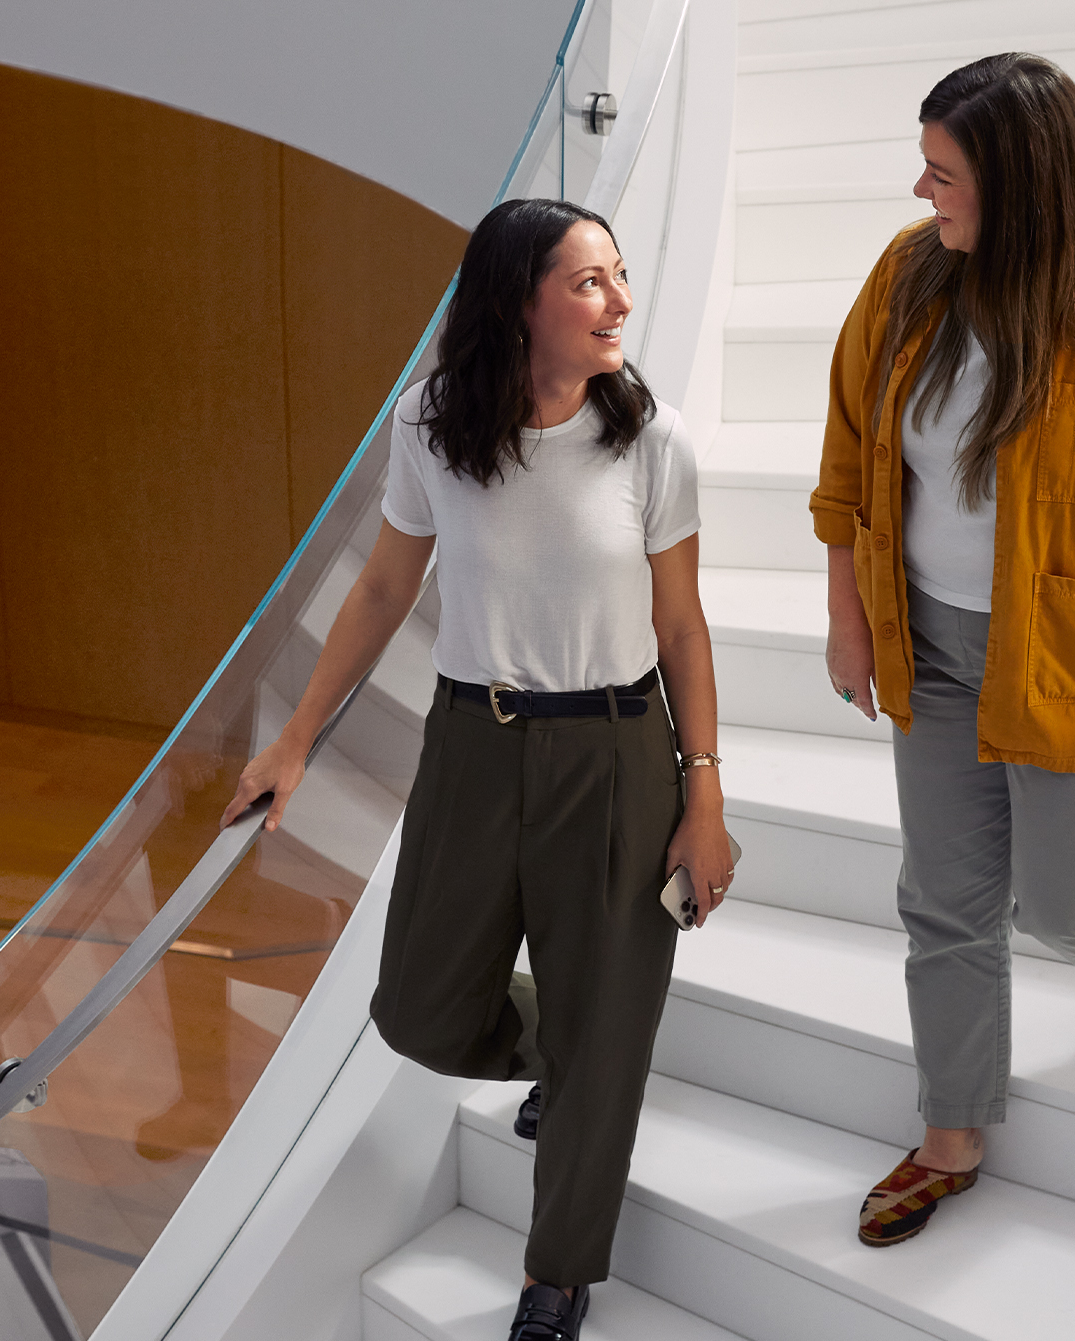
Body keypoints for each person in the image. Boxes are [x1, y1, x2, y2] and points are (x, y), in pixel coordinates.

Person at [223, 197, 733, 1341]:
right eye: (590, 282)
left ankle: (556, 1279)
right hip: (471, 746)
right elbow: (381, 589)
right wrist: (296, 739)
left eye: (617, 277)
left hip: (613, 752)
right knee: (418, 1008)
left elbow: (683, 629)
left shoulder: (651, 440)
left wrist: (703, 797)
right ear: (518, 301)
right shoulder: (431, 424)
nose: (621, 303)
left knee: (601, 1047)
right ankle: (578, 1040)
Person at [812, 53, 1075, 1248]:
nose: (919, 191)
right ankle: (952, 1132)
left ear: (1021, 183)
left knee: (1066, 901)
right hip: (927, 648)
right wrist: (848, 614)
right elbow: (850, 460)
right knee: (940, 903)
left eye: (942, 174)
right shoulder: (906, 280)